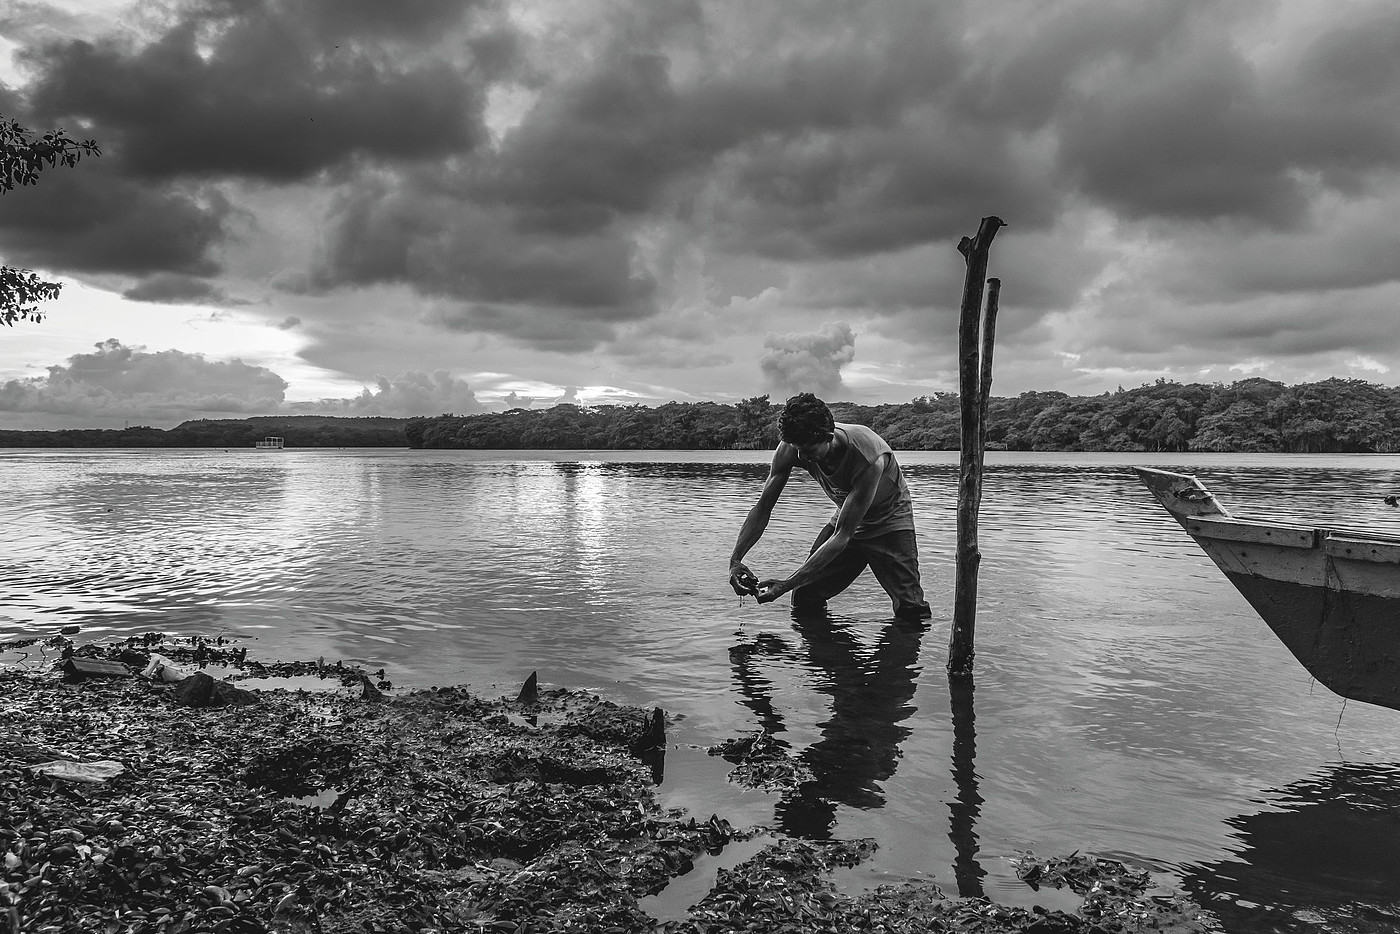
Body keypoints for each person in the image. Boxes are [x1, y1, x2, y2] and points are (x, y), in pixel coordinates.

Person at [728, 392, 932, 622]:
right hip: (845, 514)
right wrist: (736, 561)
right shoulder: (790, 449)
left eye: (809, 451)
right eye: (797, 449)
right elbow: (763, 507)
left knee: (911, 610)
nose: (801, 456)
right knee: (805, 595)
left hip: (888, 520)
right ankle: (824, 654)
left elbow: (843, 536)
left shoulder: (867, 457)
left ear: (829, 436)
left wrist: (785, 584)